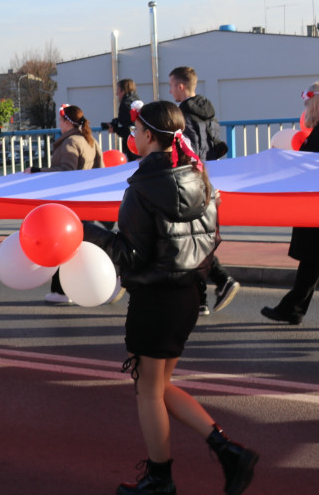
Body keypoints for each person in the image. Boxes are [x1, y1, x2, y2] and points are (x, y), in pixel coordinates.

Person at [83, 101, 258, 495]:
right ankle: (227, 450)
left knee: (148, 391)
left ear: (147, 136)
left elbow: (129, 255)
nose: (132, 137)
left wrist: (88, 232)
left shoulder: (142, 188)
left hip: (156, 299)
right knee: (159, 386)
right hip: (186, 297)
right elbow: (211, 243)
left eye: (136, 130)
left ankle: (160, 479)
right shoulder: (201, 176)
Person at [168, 66, 239, 316]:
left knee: (193, 239)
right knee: (198, 237)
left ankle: (221, 281)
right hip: (210, 181)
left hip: (192, 182)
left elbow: (187, 150)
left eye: (171, 85)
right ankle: (200, 300)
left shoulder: (181, 115)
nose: (169, 90)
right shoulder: (209, 112)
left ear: (180, 86)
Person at [26, 104, 109, 305]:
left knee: (63, 245)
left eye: (61, 120)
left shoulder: (71, 142)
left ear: (67, 122)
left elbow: (66, 172)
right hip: (85, 201)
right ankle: (83, 285)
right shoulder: (91, 141)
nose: (58, 123)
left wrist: (38, 171)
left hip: (69, 203)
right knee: (79, 245)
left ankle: (61, 291)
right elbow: (101, 170)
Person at [262, 83, 319, 326]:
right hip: (312, 205)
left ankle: (291, 309)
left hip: (314, 206)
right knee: (311, 262)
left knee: (311, 261)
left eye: (307, 104)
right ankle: (292, 309)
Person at [108, 79, 141, 161]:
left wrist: (115, 129)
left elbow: (129, 126)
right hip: (140, 140)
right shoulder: (136, 100)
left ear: (123, 91)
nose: (116, 94)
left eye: (118, 90)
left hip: (132, 143)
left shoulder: (126, 104)